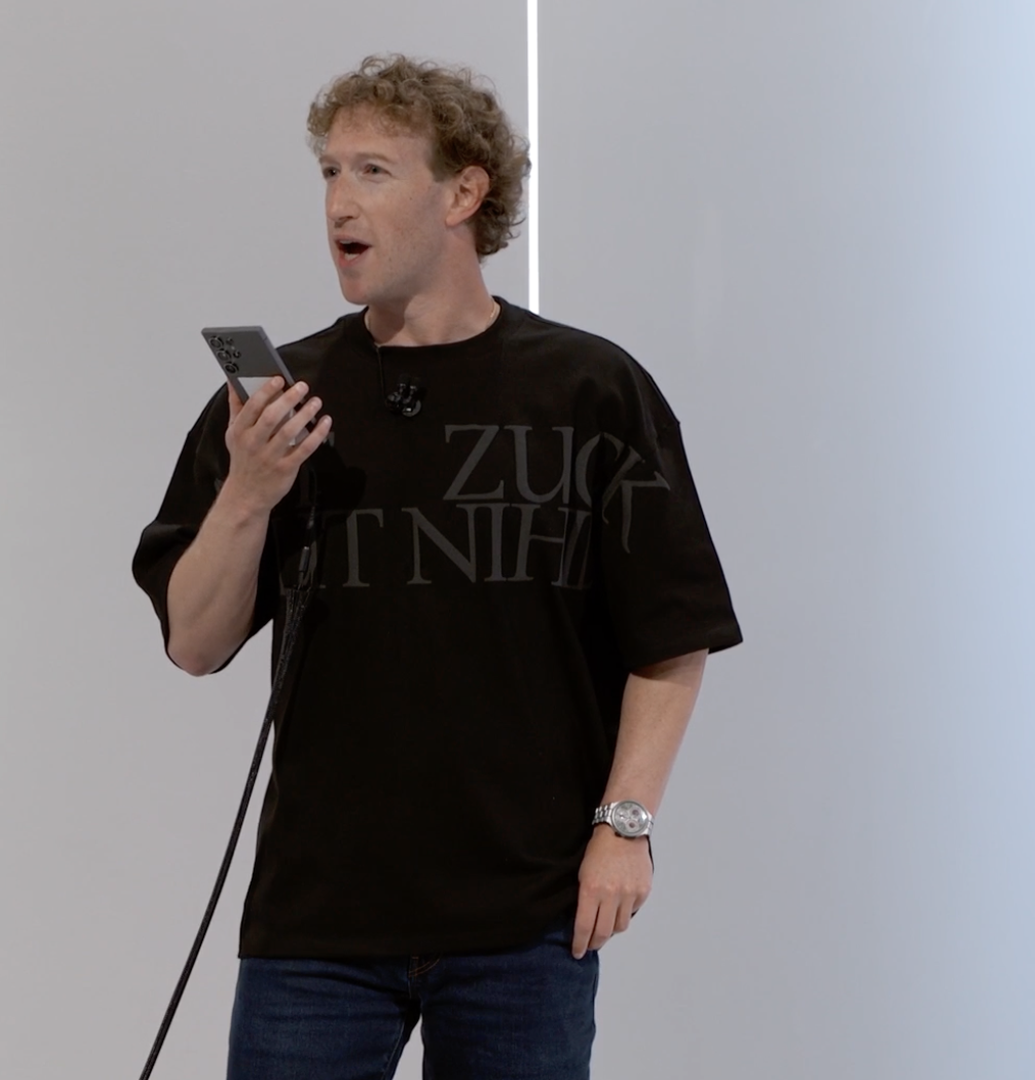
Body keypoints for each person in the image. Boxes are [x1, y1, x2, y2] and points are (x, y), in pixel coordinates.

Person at [133, 53, 742, 1080]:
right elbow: (194, 642)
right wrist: (246, 493)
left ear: (465, 192)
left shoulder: (588, 390)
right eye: (327, 172)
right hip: (317, 927)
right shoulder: (280, 405)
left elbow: (673, 633)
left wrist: (625, 827)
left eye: (372, 170)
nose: (337, 202)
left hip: (526, 920)